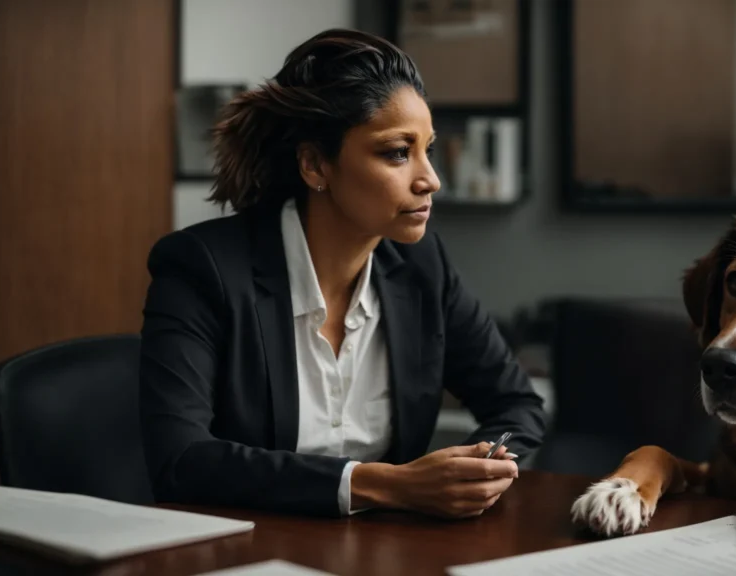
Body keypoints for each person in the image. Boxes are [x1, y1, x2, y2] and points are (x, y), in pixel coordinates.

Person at [138, 28, 546, 519]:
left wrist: (479, 469)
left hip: (387, 554)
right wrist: (388, 485)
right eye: (398, 152)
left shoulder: (422, 267)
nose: (430, 179)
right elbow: (180, 461)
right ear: (315, 165)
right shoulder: (202, 268)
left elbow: (516, 403)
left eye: (428, 150)